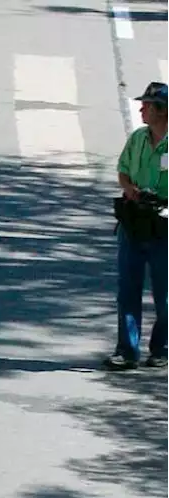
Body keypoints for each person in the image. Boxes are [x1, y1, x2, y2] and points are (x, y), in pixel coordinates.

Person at [106, 81, 169, 370]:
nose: (141, 109)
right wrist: (130, 188)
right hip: (134, 223)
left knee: (165, 294)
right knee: (128, 289)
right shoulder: (138, 139)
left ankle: (162, 350)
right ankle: (127, 351)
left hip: (164, 228)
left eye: (147, 105)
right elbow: (122, 171)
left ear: (162, 111)